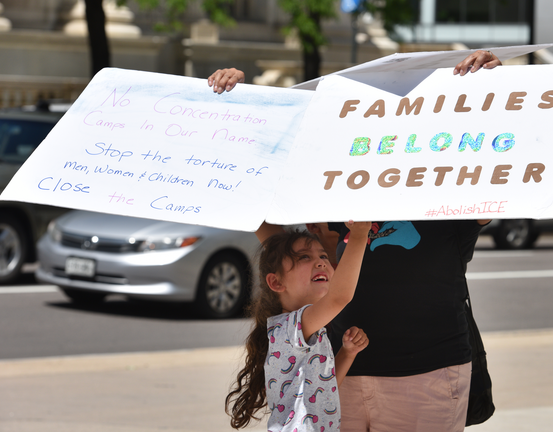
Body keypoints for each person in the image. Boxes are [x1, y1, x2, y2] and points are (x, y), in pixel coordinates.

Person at [211, 50, 499, 432]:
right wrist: (241, 109)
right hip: (335, 381)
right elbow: (255, 206)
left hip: (427, 378)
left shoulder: (444, 192)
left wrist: (494, 88)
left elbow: (500, 169)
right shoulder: (330, 197)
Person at [225, 221, 372, 431]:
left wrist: (347, 354)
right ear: (276, 283)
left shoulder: (304, 329)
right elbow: (339, 298)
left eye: (323, 256)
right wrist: (359, 233)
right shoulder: (290, 327)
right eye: (305, 257)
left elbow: (324, 388)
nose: (321, 262)